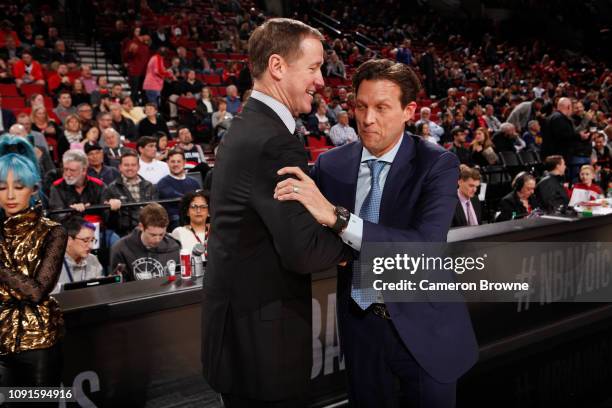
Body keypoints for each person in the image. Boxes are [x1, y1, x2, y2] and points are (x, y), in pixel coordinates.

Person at [274, 59, 478, 407]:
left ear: (409, 111)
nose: (367, 119)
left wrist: (339, 221)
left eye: (382, 107)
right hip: (360, 327)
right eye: (360, 106)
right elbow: (314, 238)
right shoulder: (330, 164)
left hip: (426, 327)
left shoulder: (437, 163)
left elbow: (425, 247)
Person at [201, 18, 352, 408]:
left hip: (241, 337)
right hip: (265, 344)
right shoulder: (273, 141)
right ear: (278, 67)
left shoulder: (246, 126)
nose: (321, 81)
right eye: (314, 68)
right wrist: (356, 235)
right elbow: (303, 251)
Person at [0, 135, 67, 387]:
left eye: (18, 186)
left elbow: (37, 291)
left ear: (33, 187)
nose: (9, 195)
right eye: (1, 187)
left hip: (38, 343)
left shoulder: (53, 231)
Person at [109, 203, 180, 281]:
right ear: (141, 227)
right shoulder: (120, 249)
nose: (157, 239)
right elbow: (117, 284)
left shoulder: (173, 247)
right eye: (153, 235)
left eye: (161, 234)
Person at [103, 149, 157, 236]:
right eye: (126, 165)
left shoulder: (150, 186)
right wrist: (113, 210)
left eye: (133, 165)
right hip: (123, 234)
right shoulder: (111, 189)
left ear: (138, 167)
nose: (130, 168)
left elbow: (156, 212)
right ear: (120, 167)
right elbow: (108, 221)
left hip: (149, 231)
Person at [53, 215, 103, 293]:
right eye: (85, 240)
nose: (91, 246)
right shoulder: (51, 264)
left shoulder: (92, 260)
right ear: (68, 240)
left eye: (92, 240)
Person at [157, 149, 200, 230]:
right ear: (167, 163)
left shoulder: (194, 182)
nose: (175, 164)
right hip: (175, 221)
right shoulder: (162, 183)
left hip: (194, 216)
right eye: (172, 161)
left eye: (178, 161)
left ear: (184, 162)